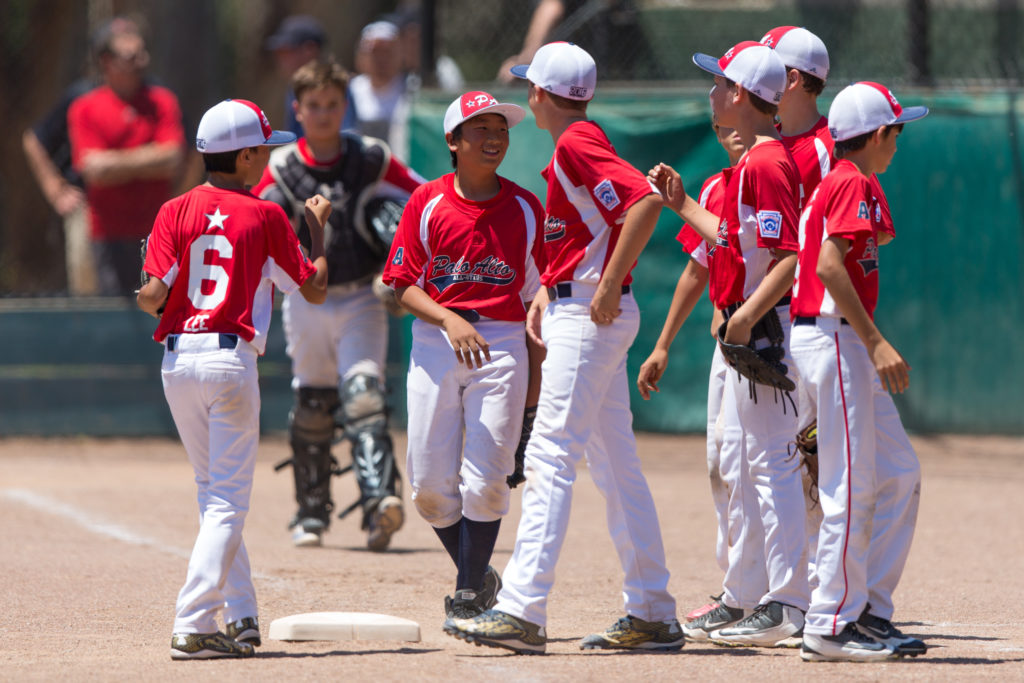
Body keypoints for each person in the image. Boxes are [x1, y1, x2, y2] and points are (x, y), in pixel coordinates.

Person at [445, 42, 682, 654]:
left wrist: (601, 284)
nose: (529, 94)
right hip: (578, 307)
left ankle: (522, 609)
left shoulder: (577, 142)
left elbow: (645, 202)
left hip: (591, 316)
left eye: (531, 86)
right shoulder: (574, 146)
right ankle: (652, 606)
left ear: (541, 95)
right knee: (615, 465)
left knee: (550, 454)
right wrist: (553, 289)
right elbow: (600, 226)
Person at [137, 98, 329, 659]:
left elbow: (151, 296)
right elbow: (312, 289)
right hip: (229, 359)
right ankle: (195, 621)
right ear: (244, 157)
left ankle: (242, 616)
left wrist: (163, 294)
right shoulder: (267, 214)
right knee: (225, 502)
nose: (266, 159)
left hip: (178, 361)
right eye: (262, 150)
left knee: (213, 494)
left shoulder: (174, 209)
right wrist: (315, 230)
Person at [651, 40, 807, 647]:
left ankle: (787, 601)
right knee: (745, 466)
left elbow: (789, 258)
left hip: (765, 329)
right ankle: (745, 596)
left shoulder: (766, 164)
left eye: (719, 85)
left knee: (772, 466)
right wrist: (683, 203)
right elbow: (740, 242)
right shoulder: (751, 166)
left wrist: (743, 318)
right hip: (752, 326)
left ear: (741, 96)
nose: (712, 93)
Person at [382, 90, 545, 622]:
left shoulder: (525, 206)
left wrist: (531, 405)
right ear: (453, 140)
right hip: (436, 338)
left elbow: (537, 301)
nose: (494, 137)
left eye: (501, 129)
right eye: (480, 129)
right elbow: (401, 285)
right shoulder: (427, 201)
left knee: (488, 479)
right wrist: (448, 318)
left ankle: (470, 589)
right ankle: (479, 571)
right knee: (429, 489)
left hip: (501, 342)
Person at [253, 59, 423, 551]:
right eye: (314, 106)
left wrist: (399, 255)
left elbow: (420, 195)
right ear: (297, 110)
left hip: (360, 297)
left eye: (332, 104)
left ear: (345, 106)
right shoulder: (284, 166)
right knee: (313, 401)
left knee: (365, 393)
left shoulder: (370, 156)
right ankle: (311, 511)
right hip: (306, 298)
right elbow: (258, 215)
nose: (324, 114)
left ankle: (379, 505)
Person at [791, 82, 927, 662]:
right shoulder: (849, 181)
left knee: (899, 473)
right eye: (896, 131)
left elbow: (869, 238)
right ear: (876, 135)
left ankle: (866, 609)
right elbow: (827, 264)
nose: (899, 142)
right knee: (850, 487)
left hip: (837, 339)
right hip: (837, 338)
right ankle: (829, 623)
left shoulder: (853, 183)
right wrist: (876, 342)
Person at [636, 121, 747, 623]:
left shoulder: (786, 170)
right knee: (722, 462)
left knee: (774, 467)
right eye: (724, 124)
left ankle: (791, 589)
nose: (733, 131)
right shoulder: (718, 187)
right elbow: (698, 269)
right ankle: (739, 588)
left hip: (775, 339)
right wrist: (661, 345)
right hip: (728, 348)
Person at [68, 19, 186, 296]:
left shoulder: (163, 101)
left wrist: (113, 163)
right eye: (131, 56)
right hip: (108, 233)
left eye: (143, 54)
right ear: (107, 61)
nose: (142, 62)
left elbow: (171, 158)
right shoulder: (84, 107)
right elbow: (92, 169)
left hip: (157, 230)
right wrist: (149, 158)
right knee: (112, 312)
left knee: (161, 305)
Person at [347, 21, 408, 151]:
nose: (382, 58)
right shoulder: (351, 90)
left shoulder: (413, 89)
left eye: (387, 51)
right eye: (375, 52)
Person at [265, 14, 328, 137]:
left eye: (286, 52)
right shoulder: (293, 88)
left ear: (310, 50)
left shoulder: (337, 88)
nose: (280, 59)